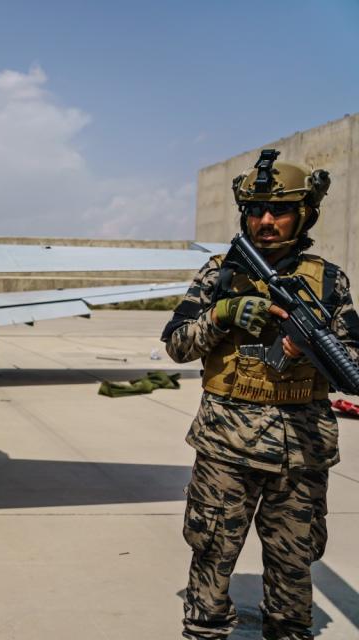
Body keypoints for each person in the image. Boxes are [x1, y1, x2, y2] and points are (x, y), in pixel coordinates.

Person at [161, 149, 359, 639]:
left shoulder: (330, 282)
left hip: (303, 450)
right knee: (212, 552)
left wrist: (304, 348)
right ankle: (206, 630)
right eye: (255, 211)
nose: (265, 221)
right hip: (225, 448)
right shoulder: (218, 273)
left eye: (279, 210)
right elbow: (176, 345)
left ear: (304, 214)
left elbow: (352, 362)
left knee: (294, 564)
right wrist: (221, 316)